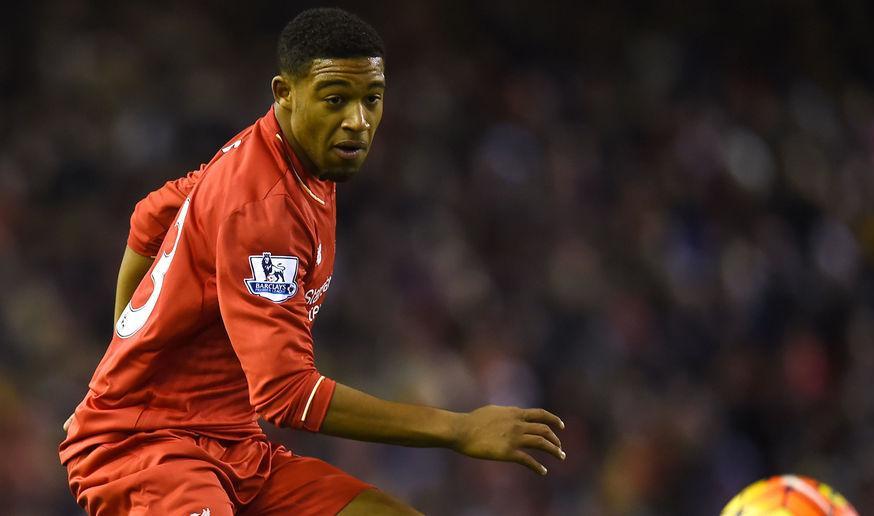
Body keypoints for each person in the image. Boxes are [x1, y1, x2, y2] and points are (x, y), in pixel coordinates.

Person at [59, 7, 565, 515]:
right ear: (284, 94)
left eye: (372, 99)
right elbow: (286, 393)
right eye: (335, 100)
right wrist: (459, 428)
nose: (358, 121)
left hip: (235, 448)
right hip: (147, 451)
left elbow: (151, 217)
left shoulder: (281, 155)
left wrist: (118, 367)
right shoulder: (265, 208)